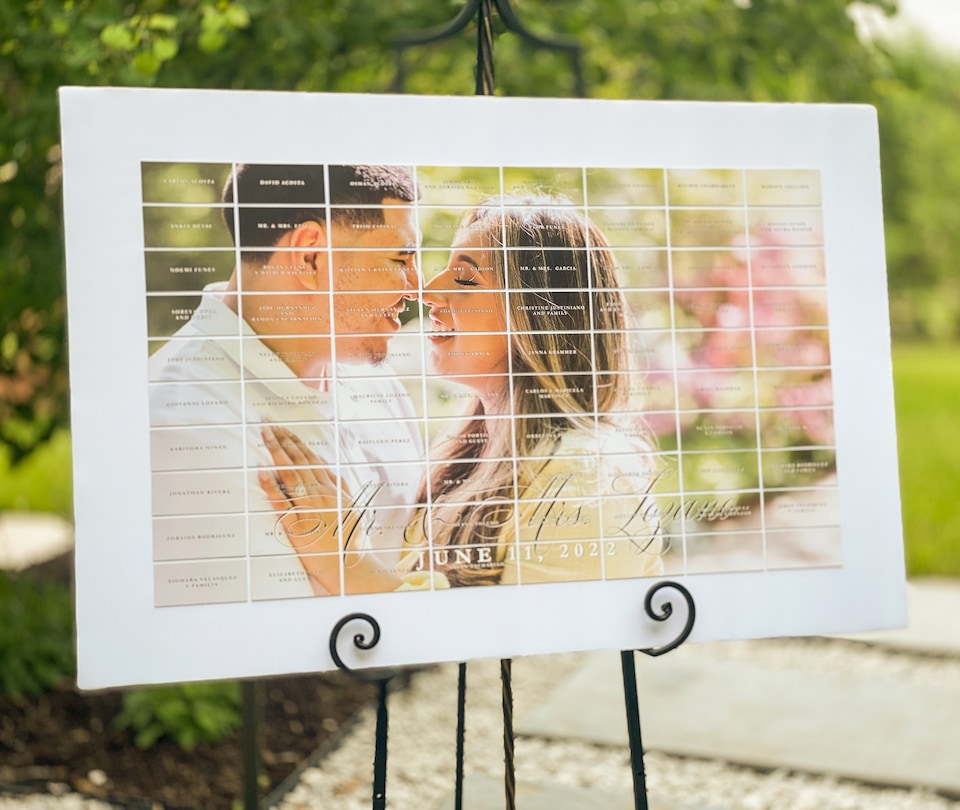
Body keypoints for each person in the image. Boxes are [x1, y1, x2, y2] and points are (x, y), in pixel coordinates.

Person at [260, 195, 666, 592]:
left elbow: (548, 652)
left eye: (466, 278)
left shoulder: (587, 475)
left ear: (537, 315)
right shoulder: (463, 461)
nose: (428, 292)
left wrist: (348, 564)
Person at [149, 164, 424, 598]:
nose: (416, 287)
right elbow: (288, 655)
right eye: (400, 258)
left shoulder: (378, 382)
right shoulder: (181, 421)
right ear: (310, 255)